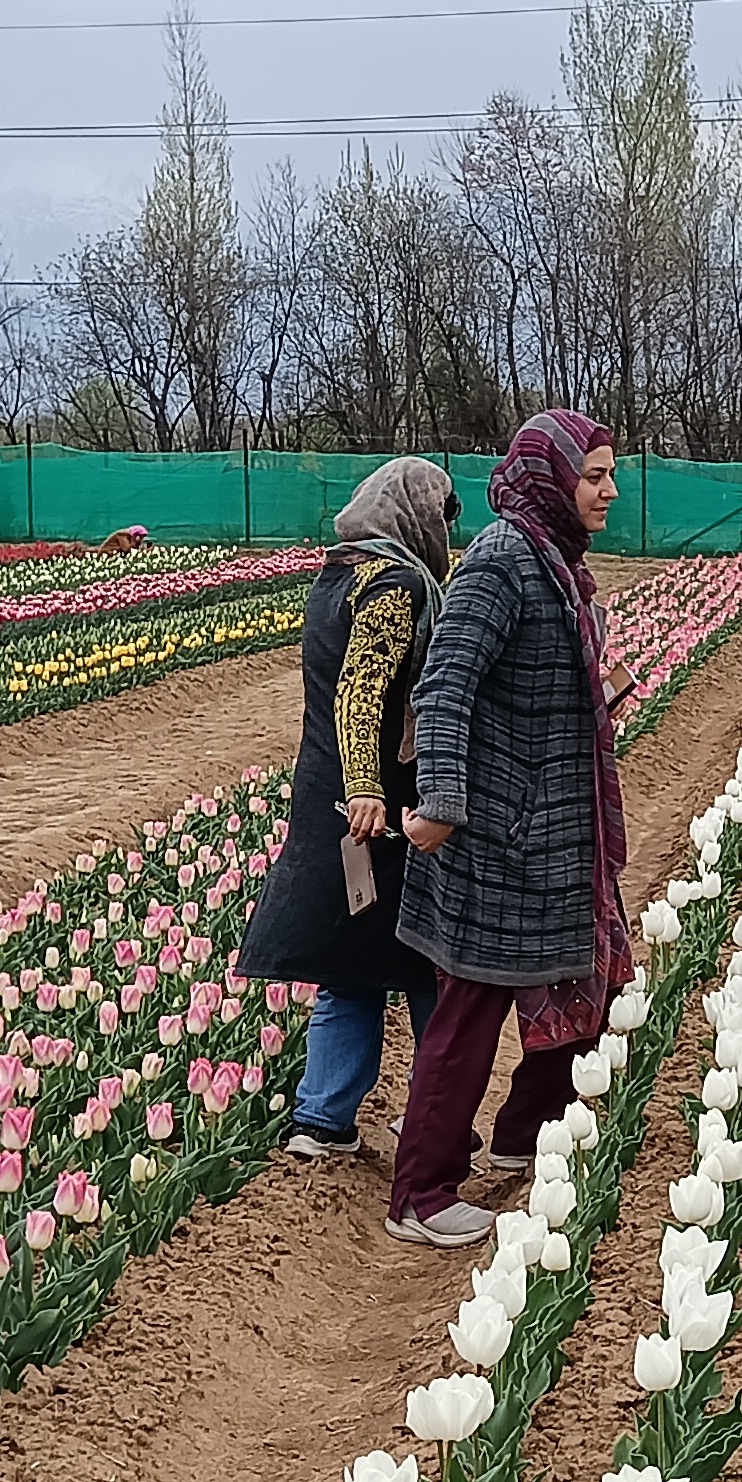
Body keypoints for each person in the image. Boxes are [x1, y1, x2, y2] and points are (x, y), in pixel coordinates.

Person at [385, 411, 638, 1248]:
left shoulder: (556, 564)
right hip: (499, 836)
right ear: (548, 478)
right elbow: (444, 686)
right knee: (469, 1011)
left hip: (557, 834)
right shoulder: (501, 563)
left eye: (610, 474)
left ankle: (524, 1134)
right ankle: (420, 1193)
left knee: (594, 981)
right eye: (594, 475)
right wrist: (445, 802)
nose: (609, 489)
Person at [238, 457, 461, 1161]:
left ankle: (322, 1119)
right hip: (381, 804)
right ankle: (436, 1121)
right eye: (441, 516)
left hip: (327, 789)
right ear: (413, 514)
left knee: (352, 957)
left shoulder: (338, 573)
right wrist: (366, 787)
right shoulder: (395, 584)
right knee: (428, 962)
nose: (445, 531)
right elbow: (361, 692)